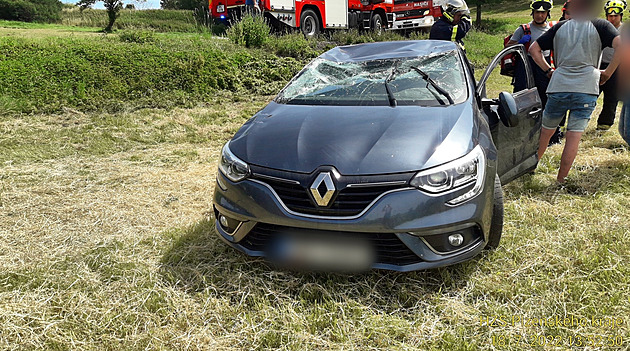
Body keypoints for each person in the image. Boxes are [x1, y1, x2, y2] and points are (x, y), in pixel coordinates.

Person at [529, 0, 621, 183]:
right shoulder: (601, 25)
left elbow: (534, 49)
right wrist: (608, 73)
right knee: (573, 137)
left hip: (559, 86)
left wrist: (548, 70)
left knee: (546, 133)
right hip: (587, 88)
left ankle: (530, 169)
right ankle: (561, 180)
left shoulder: (560, 27)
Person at [506, 0, 556, 105]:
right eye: (537, 12)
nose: (540, 15)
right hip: (525, 63)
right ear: (532, 13)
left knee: (543, 92)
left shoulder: (551, 30)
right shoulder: (523, 29)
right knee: (521, 92)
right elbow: (508, 47)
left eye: (543, 13)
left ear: (548, 14)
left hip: (543, 64)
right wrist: (519, 43)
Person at [596, 0, 626, 130]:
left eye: (616, 16)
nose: (612, 18)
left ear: (621, 15)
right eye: (610, 15)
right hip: (599, 65)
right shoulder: (602, 28)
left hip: (618, 67)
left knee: (612, 97)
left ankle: (604, 124)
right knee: (592, 94)